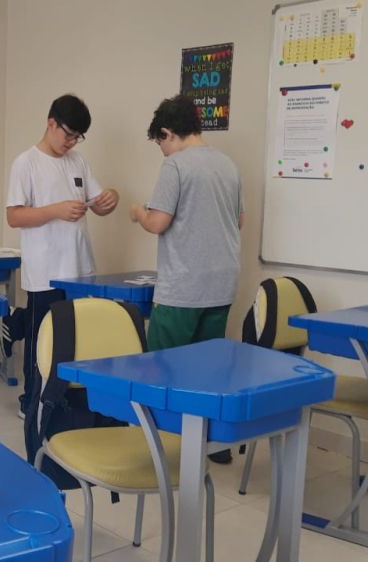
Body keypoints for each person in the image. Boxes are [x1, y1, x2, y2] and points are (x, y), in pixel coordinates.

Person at [129, 94, 244, 463]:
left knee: (162, 368)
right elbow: (239, 221)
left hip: (184, 286)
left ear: (168, 133)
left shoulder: (176, 166)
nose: (161, 150)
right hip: (222, 283)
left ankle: (158, 448)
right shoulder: (227, 165)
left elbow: (158, 222)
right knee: (209, 369)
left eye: (160, 142)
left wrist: (139, 212)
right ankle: (211, 445)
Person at [5, 93, 119, 430]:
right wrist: (55, 210)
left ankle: (65, 401)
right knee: (41, 340)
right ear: (51, 123)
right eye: (68, 134)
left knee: (76, 338)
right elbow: (14, 216)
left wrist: (109, 200)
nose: (71, 142)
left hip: (80, 268)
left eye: (78, 137)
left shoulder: (78, 161)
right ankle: (31, 401)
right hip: (45, 271)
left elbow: (97, 204)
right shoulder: (26, 163)